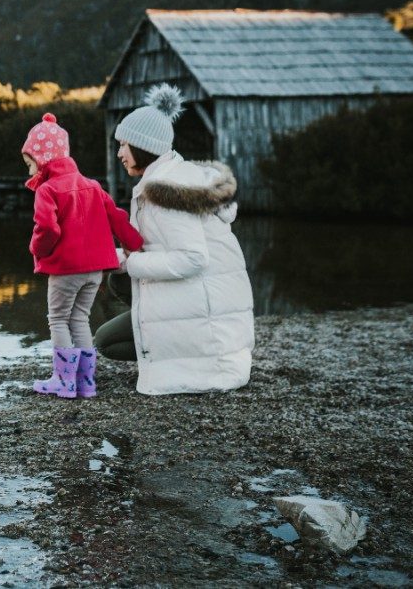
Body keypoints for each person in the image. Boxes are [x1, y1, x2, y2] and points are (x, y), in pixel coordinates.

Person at [93, 84, 254, 395]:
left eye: (124, 144)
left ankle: (182, 358)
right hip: (218, 306)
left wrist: (131, 261)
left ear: (143, 146)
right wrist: (116, 259)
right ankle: (172, 346)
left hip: (211, 319)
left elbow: (193, 258)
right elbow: (162, 248)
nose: (119, 153)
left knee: (106, 341)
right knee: (119, 281)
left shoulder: (166, 192)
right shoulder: (178, 176)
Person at [24, 113, 142, 398]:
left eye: (29, 164)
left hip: (66, 269)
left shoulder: (48, 190)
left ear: (42, 159)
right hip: (95, 270)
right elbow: (117, 218)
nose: (28, 171)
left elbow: (47, 228)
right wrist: (134, 244)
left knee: (58, 319)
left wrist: (37, 250)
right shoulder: (92, 185)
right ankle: (86, 383)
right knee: (80, 318)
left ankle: (64, 382)